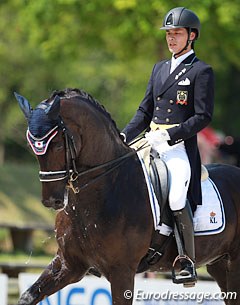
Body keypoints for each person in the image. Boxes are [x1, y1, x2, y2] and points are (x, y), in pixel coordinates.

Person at [121, 7, 214, 283]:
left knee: (175, 196)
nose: (171, 38)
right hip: (150, 141)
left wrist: (171, 135)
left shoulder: (201, 71)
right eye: (169, 34)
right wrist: (123, 136)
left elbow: (203, 117)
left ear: (191, 36)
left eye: (177, 33)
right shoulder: (159, 68)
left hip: (177, 147)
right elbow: (144, 112)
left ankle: (186, 260)